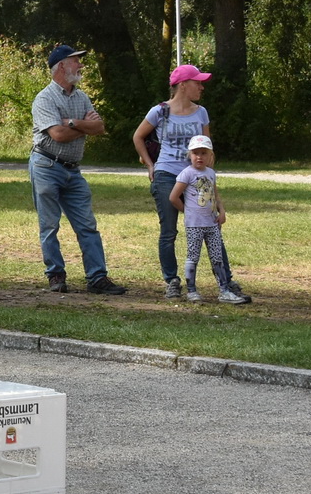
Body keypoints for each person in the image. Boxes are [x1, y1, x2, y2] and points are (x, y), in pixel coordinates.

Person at [29, 45, 126, 295]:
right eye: (76, 61)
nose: (81, 66)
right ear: (61, 66)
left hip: (73, 170)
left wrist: (72, 122)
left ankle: (97, 278)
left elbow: (100, 128)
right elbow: (58, 135)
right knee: (49, 225)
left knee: (87, 225)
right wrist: (84, 126)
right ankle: (56, 275)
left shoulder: (82, 97)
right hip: (46, 166)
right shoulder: (44, 99)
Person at [132, 64, 214, 299]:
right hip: (167, 175)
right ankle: (172, 280)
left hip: (194, 177)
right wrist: (151, 166)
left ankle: (224, 279)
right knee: (169, 231)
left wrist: (209, 178)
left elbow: (207, 147)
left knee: (207, 227)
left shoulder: (201, 112)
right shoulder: (159, 111)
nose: (201, 86)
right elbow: (138, 136)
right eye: (197, 82)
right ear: (182, 85)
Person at [169, 135, 252, 304]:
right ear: (189, 155)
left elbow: (215, 194)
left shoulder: (211, 173)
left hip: (212, 224)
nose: (199, 157)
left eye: (203, 153)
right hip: (195, 226)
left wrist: (221, 211)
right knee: (193, 256)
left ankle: (224, 291)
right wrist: (188, 211)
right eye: (195, 153)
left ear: (210, 156)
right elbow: (173, 197)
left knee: (217, 257)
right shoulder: (186, 174)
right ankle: (191, 290)